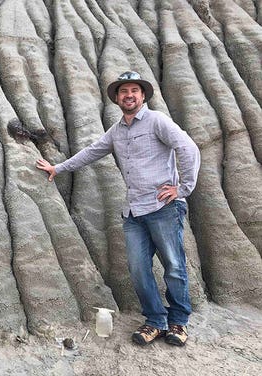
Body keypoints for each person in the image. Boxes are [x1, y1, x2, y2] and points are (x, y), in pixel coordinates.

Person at [36, 71, 200, 347]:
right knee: (138, 270)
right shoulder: (117, 131)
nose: (129, 95)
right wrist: (58, 168)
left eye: (134, 90)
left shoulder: (157, 121)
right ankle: (155, 322)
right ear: (117, 98)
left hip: (163, 208)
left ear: (143, 95)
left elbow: (188, 148)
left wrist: (182, 189)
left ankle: (178, 323)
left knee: (173, 266)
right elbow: (91, 151)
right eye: (124, 92)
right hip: (134, 213)